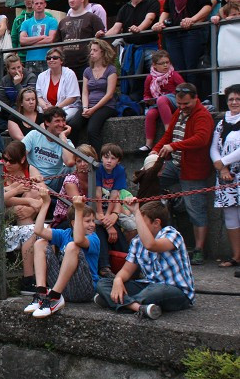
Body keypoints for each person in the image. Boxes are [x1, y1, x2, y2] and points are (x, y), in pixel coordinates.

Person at [94, 199, 195, 319]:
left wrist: (136, 212)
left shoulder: (172, 234)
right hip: (149, 285)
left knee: (154, 291)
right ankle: (138, 307)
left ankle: (113, 301)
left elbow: (151, 245)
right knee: (103, 283)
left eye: (142, 221)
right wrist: (118, 280)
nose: (138, 225)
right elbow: (126, 270)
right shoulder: (137, 241)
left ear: (156, 223)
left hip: (176, 291)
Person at [150, 82, 214, 265]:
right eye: (179, 104)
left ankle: (199, 249)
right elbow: (168, 134)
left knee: (196, 209)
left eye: (186, 104)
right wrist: (155, 150)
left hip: (193, 169)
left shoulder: (203, 116)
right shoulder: (179, 112)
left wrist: (173, 146)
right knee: (151, 179)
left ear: (195, 98)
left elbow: (200, 140)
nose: (182, 108)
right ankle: (169, 205)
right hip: (175, 164)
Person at [26, 191, 100, 318]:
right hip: (63, 288)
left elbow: (78, 240)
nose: (92, 224)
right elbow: (38, 230)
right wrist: (45, 203)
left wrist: (79, 210)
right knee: (40, 243)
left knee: (72, 246)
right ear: (73, 223)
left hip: (85, 290)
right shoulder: (65, 233)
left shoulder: (94, 238)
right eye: (88, 221)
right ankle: (41, 293)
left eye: (93, 221)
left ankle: (54, 297)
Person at [152, 0, 213, 94]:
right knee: (178, 69)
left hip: (192, 32)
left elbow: (207, 7)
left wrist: (192, 19)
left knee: (191, 68)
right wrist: (160, 22)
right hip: (174, 33)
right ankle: (182, 98)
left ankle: (195, 98)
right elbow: (167, 10)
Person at [99, 0, 161, 100]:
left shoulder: (152, 2)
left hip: (148, 48)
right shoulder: (124, 8)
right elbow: (116, 28)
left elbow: (149, 19)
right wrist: (103, 35)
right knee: (132, 82)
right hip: (130, 51)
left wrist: (139, 29)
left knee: (154, 78)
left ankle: (154, 104)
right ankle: (134, 106)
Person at [210, 84, 240, 271]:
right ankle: (237, 255)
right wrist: (220, 167)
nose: (234, 102)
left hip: (235, 170)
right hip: (225, 175)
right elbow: (214, 147)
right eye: (231, 99)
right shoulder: (222, 123)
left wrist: (223, 162)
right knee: (230, 215)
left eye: (238, 99)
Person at [71, 39, 118, 154]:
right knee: (73, 125)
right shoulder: (87, 71)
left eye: (95, 50)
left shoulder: (111, 70)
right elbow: (85, 92)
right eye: (91, 50)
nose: (91, 53)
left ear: (102, 52)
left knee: (92, 129)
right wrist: (86, 107)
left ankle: (97, 158)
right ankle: (72, 154)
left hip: (106, 106)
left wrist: (93, 109)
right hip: (89, 105)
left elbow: (109, 94)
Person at [0, 140, 43, 225]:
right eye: (5, 159)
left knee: (35, 191)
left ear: (22, 159)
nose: (7, 163)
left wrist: (31, 210)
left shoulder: (30, 169)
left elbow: (46, 195)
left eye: (12, 161)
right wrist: (29, 201)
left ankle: (26, 233)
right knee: (19, 209)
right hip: (0, 208)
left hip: (27, 209)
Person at [22, 106, 76, 193]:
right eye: (57, 121)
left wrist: (62, 137)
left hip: (54, 182)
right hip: (34, 179)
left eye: (63, 121)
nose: (62, 124)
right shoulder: (34, 135)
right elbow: (20, 155)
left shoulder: (66, 142)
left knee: (71, 168)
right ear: (47, 122)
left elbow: (70, 163)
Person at [55, 0, 105, 79]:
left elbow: (102, 41)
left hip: (86, 64)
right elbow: (58, 44)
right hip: (66, 66)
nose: (71, 1)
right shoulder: (63, 21)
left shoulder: (92, 18)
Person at [140, 50, 185, 152]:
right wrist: (147, 100)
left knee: (162, 99)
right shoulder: (150, 78)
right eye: (162, 63)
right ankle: (149, 144)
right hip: (157, 103)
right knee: (151, 113)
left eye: (167, 62)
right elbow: (146, 94)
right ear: (154, 65)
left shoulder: (173, 75)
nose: (166, 65)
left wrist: (170, 96)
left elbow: (183, 88)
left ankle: (168, 132)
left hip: (174, 101)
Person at [95, 143, 136, 236]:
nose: (109, 161)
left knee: (133, 226)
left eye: (113, 158)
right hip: (98, 206)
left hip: (113, 205)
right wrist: (101, 213)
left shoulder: (120, 170)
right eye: (106, 157)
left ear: (118, 161)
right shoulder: (98, 169)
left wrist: (109, 214)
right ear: (101, 158)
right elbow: (97, 192)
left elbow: (114, 194)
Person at [18, 0, 58, 77]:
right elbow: (22, 41)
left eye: (41, 3)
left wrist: (30, 43)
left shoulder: (52, 21)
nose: (39, 5)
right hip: (30, 60)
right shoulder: (26, 23)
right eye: (36, 3)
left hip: (47, 59)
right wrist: (41, 37)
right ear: (32, 5)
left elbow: (50, 39)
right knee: (32, 87)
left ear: (45, 4)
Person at [36, 47, 80, 121]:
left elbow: (72, 97)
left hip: (67, 107)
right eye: (49, 58)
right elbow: (38, 96)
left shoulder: (70, 74)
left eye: (55, 58)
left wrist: (55, 108)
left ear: (61, 61)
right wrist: (44, 106)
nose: (51, 60)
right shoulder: (41, 76)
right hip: (47, 108)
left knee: (56, 119)